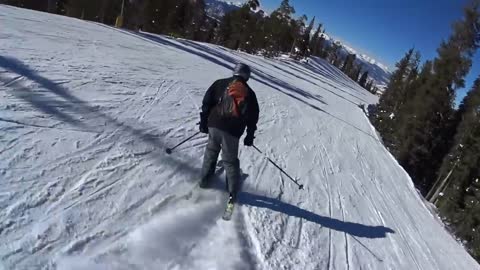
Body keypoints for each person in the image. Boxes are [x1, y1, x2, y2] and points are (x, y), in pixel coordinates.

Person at [199, 63, 260, 204]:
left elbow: (207, 102)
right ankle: (232, 192)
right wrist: (249, 135)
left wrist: (203, 121)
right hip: (232, 131)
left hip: (214, 125)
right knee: (230, 161)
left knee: (211, 152)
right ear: (247, 76)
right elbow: (253, 117)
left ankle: (204, 181)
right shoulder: (249, 93)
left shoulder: (220, 83)